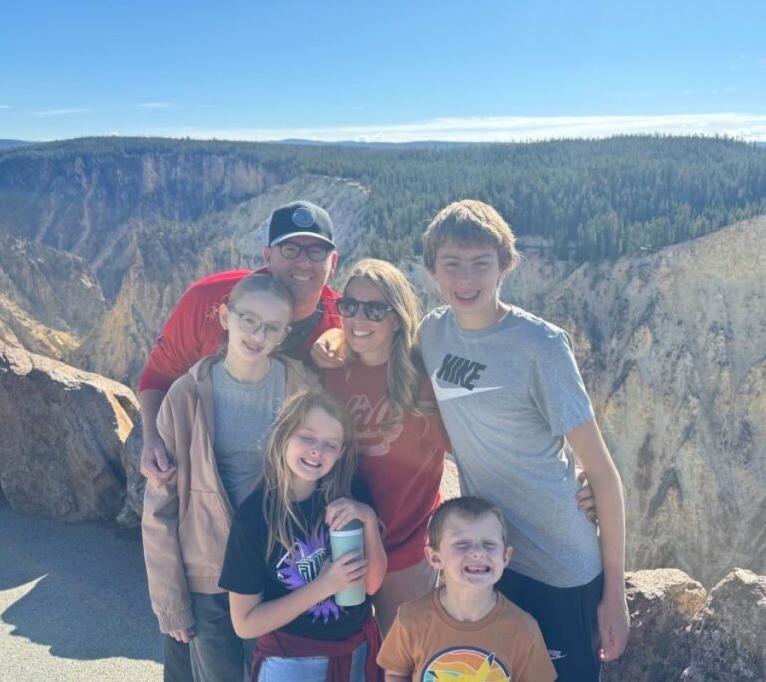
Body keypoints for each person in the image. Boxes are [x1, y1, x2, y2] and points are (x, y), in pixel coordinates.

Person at [416, 199, 629, 681]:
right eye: (452, 264)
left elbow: (602, 472)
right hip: (490, 562)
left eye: (480, 264)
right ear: (432, 269)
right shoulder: (433, 333)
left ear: (505, 266)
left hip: (560, 565)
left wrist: (613, 595)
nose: (465, 278)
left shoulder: (541, 347)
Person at [142, 273, 318, 681]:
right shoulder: (186, 395)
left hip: (275, 568)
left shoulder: (299, 390)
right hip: (208, 574)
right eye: (248, 319)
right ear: (225, 316)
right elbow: (160, 507)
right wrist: (171, 603)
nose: (257, 334)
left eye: (271, 327)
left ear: (284, 334)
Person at [137, 200, 343, 486]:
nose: (304, 262)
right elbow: (158, 375)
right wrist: (152, 439)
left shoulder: (345, 322)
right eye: (290, 249)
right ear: (268, 256)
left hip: (291, 485)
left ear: (333, 263)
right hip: (202, 475)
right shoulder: (209, 299)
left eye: (316, 251)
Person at [221, 389, 388, 682]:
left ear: (342, 453)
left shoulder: (351, 497)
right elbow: (245, 624)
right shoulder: (254, 519)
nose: (316, 451)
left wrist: (369, 520)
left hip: (355, 652)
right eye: (307, 438)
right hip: (292, 661)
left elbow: (372, 584)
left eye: (330, 444)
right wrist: (324, 586)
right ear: (283, 435)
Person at [322, 258, 450, 636]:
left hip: (407, 553)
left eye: (375, 309)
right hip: (344, 548)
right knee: (350, 656)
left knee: (406, 659)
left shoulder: (423, 383)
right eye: (350, 306)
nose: (359, 319)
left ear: (396, 318)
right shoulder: (332, 373)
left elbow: (477, 449)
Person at [378, 496, 556, 682]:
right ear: (435, 558)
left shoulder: (523, 629)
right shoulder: (410, 619)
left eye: (489, 544)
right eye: (462, 543)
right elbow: (396, 673)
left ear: (506, 556)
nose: (478, 551)